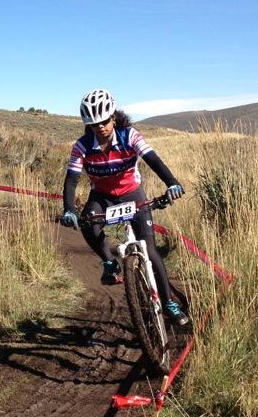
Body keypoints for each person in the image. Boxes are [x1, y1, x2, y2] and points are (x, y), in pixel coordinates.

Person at [60, 88, 190, 327]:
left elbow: (153, 160)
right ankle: (109, 262)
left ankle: (169, 303)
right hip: (103, 196)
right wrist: (69, 208)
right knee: (89, 224)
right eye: (93, 124)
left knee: (150, 251)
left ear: (113, 117)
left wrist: (171, 183)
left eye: (104, 121)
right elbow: (71, 179)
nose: (100, 127)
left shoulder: (130, 135)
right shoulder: (82, 146)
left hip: (132, 194)